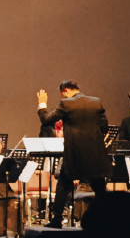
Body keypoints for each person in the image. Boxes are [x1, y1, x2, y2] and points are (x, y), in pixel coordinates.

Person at [37, 80, 110, 228]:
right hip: (95, 153)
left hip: (74, 152)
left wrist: (42, 104)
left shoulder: (66, 104)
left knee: (63, 184)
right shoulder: (96, 102)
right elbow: (104, 127)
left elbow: (46, 120)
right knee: (99, 187)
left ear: (65, 91)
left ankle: (57, 219)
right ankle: (105, 220)